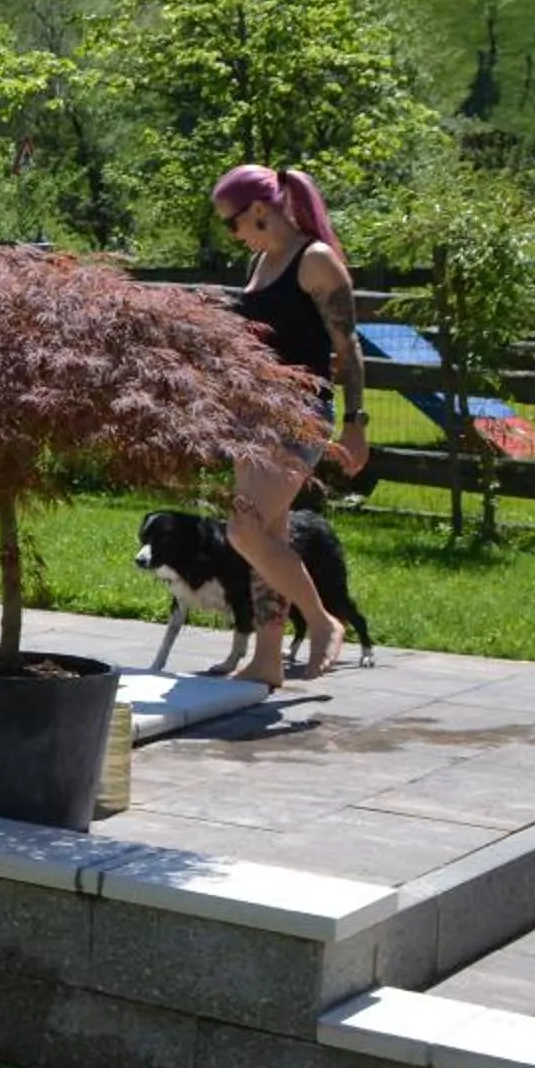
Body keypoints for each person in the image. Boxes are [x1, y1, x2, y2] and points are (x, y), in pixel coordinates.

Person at [211, 163, 369, 689]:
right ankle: (268, 660)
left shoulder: (315, 261)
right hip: (254, 415)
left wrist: (355, 423)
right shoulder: (261, 262)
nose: (231, 235)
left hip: (299, 415)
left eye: (231, 223)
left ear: (259, 209)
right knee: (268, 535)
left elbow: (348, 348)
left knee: (243, 530)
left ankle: (323, 624)